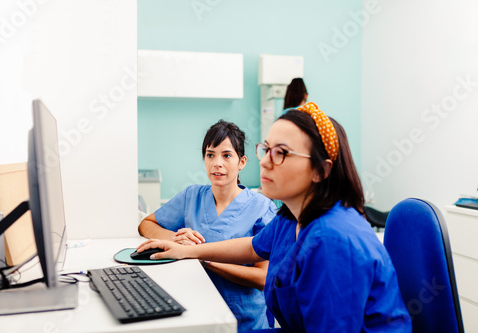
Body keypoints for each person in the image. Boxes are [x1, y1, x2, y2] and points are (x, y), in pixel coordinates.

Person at [136, 103, 412, 332]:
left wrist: (198, 256)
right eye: (266, 149)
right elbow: (250, 246)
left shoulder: (333, 240)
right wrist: (189, 251)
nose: (266, 160)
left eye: (281, 153)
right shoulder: (289, 219)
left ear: (320, 170)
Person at [138, 120, 277, 331]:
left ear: (242, 162)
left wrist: (201, 257)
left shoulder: (261, 207)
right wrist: (176, 241)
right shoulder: (191, 196)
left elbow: (264, 278)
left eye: (227, 155)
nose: (217, 163)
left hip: (242, 321)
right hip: (193, 311)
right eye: (210, 155)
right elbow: (146, 224)